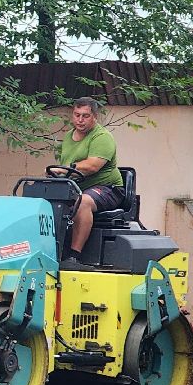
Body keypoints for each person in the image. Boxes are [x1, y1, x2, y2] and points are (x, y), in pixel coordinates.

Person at [57, 97, 128, 268]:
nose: (80, 120)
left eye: (85, 116)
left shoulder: (102, 137)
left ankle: (74, 257)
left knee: (83, 202)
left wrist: (65, 169)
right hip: (75, 188)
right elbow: (65, 168)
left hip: (108, 189)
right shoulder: (68, 136)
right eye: (77, 115)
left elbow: (92, 166)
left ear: (95, 117)